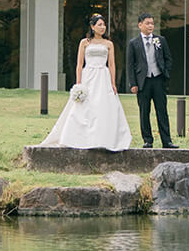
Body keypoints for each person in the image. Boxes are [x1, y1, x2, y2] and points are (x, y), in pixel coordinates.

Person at [40, 14, 132, 150]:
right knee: (85, 106)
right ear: (92, 27)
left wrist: (113, 83)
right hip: (88, 75)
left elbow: (112, 64)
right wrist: (78, 83)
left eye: (104, 25)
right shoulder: (85, 42)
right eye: (99, 25)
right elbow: (79, 64)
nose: (103, 27)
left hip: (103, 75)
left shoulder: (109, 44)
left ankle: (104, 138)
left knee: (103, 105)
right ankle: (79, 137)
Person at [126, 12, 177, 149]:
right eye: (147, 23)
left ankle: (167, 141)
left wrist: (165, 73)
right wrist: (133, 84)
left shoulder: (160, 40)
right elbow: (130, 65)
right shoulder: (133, 43)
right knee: (144, 112)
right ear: (140, 25)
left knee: (162, 111)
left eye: (152, 23)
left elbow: (168, 58)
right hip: (143, 82)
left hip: (158, 80)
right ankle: (148, 140)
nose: (150, 26)